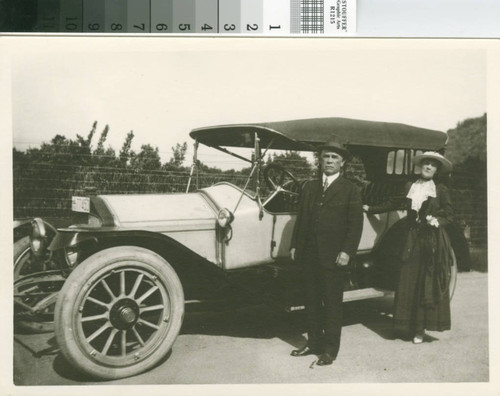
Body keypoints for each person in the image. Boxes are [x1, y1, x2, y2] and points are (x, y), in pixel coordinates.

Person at [364, 151, 454, 344]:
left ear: (437, 170)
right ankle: (404, 326)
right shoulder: (410, 186)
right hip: (411, 237)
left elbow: (449, 215)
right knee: (408, 278)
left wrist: (436, 220)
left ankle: (420, 329)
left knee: (425, 281)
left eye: (433, 165)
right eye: (426, 164)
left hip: (432, 240)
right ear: (420, 166)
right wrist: (370, 209)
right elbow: (394, 202)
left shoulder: (441, 189)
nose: (428, 167)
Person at [289, 140, 363, 366]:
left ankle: (330, 350)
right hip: (309, 254)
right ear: (320, 160)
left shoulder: (351, 189)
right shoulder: (310, 187)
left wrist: (346, 251)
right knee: (311, 301)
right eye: (325, 157)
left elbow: (355, 224)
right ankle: (313, 343)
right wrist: (295, 245)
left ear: (342, 162)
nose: (329, 161)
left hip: (334, 256)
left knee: (332, 304)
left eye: (334, 157)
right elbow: (301, 219)